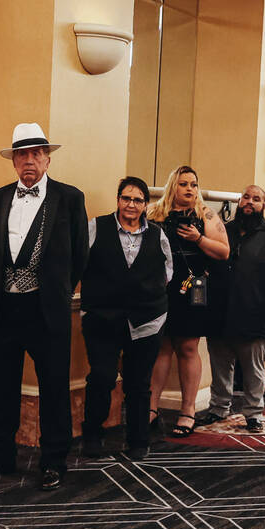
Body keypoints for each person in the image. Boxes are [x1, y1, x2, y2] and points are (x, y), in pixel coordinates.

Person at [0, 123, 88, 492]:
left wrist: (59, 292)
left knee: (53, 386)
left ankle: (53, 461)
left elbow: (80, 254)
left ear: (48, 159)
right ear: (14, 161)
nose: (29, 161)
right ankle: (1, 455)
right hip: (5, 306)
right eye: (22, 154)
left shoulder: (69, 197)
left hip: (46, 308)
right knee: (2, 386)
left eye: (36, 154)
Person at [79, 177, 171, 461]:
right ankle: (93, 435)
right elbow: (79, 262)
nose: (131, 204)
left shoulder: (158, 235)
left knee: (139, 383)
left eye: (138, 200)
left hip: (146, 320)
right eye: (126, 198)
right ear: (118, 200)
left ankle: (138, 440)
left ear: (146, 205)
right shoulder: (96, 227)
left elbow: (167, 272)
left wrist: (144, 294)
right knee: (102, 377)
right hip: (101, 318)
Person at [147, 166, 231, 438]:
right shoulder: (154, 212)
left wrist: (200, 239)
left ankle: (188, 411)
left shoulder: (205, 214)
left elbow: (223, 252)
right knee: (161, 346)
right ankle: (150, 408)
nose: (189, 189)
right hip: (161, 288)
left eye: (194, 184)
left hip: (194, 286)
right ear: (173, 185)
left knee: (187, 347)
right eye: (183, 184)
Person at [201, 185, 265, 427]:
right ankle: (218, 408)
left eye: (257, 199)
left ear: (264, 206)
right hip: (220, 311)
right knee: (220, 365)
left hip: (255, 311)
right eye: (246, 198)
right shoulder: (222, 230)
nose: (249, 202)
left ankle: (253, 414)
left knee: (253, 369)